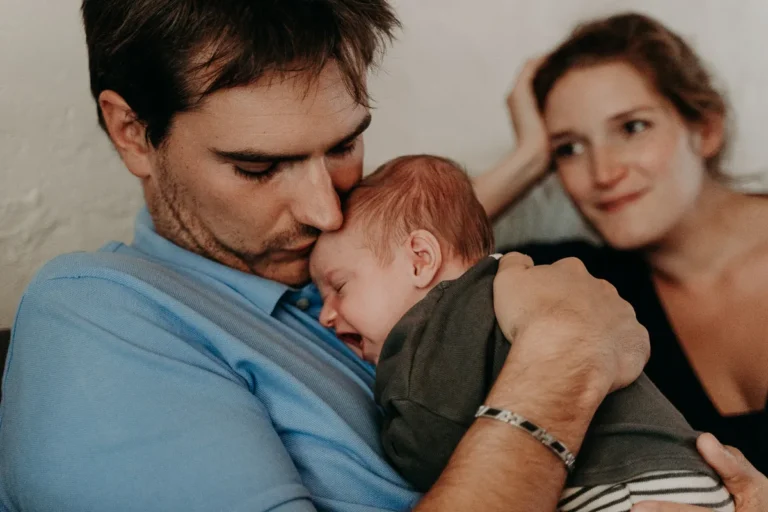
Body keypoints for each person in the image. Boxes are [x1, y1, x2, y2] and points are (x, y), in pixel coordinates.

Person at [0, 2, 760, 511]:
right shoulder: (101, 318)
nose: (325, 208)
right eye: (259, 168)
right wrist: (562, 364)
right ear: (132, 131)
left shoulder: (359, 275)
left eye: (344, 145)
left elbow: (430, 229)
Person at [310, 153, 733, 511]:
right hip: (682, 472)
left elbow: (429, 448)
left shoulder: (423, 334)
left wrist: (389, 437)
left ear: (420, 259)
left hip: (622, 490)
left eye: (339, 287)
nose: (324, 316)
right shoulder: (509, 283)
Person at [474, 11, 768, 480]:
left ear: (705, 128)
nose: (603, 173)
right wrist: (525, 161)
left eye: (632, 128)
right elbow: (398, 257)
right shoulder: (581, 283)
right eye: (568, 148)